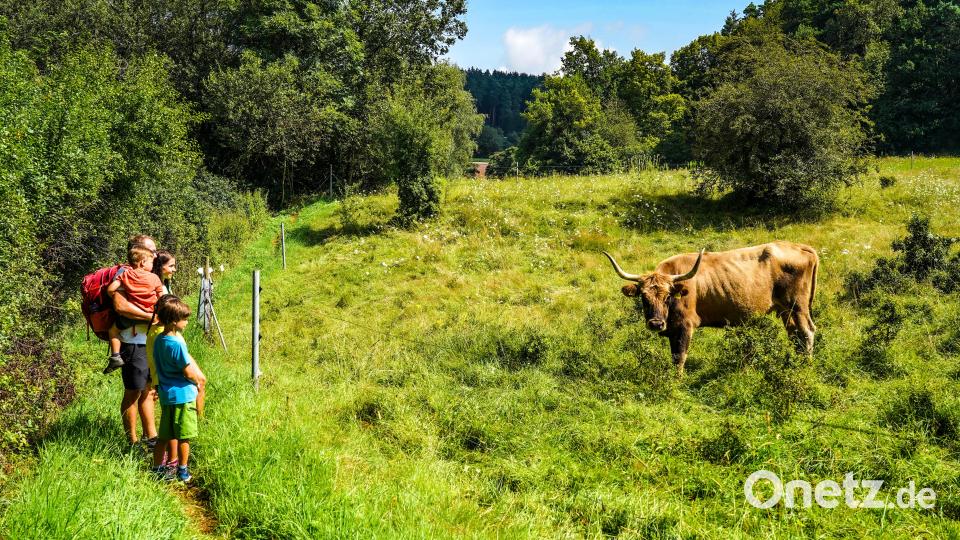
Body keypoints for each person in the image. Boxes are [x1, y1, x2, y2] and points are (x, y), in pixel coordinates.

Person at [107, 235, 160, 450]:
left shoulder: (151, 275)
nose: (155, 255)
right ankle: (132, 442)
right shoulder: (124, 273)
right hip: (133, 341)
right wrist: (150, 317)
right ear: (138, 254)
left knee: (148, 390)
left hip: (150, 339)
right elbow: (121, 307)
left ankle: (151, 438)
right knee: (133, 391)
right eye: (152, 251)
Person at [151, 296, 206, 482]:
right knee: (184, 436)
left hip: (167, 395)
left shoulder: (159, 339)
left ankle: (157, 468)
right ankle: (183, 471)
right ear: (175, 321)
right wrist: (197, 382)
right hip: (183, 395)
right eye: (185, 319)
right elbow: (188, 371)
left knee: (164, 436)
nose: (187, 322)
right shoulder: (177, 344)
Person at [103, 245, 164, 374]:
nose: (153, 265)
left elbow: (110, 289)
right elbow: (162, 298)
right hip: (150, 316)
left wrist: (113, 296)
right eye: (151, 262)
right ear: (142, 262)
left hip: (129, 318)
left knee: (113, 331)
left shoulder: (125, 274)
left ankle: (115, 357)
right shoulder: (154, 278)